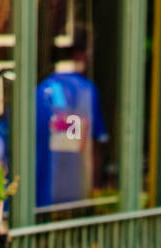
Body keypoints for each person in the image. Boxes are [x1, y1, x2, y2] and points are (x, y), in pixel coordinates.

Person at [36, 28, 108, 209]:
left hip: (41, 195)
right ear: (80, 55)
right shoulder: (85, 91)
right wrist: (94, 188)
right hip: (75, 196)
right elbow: (95, 144)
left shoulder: (40, 91)